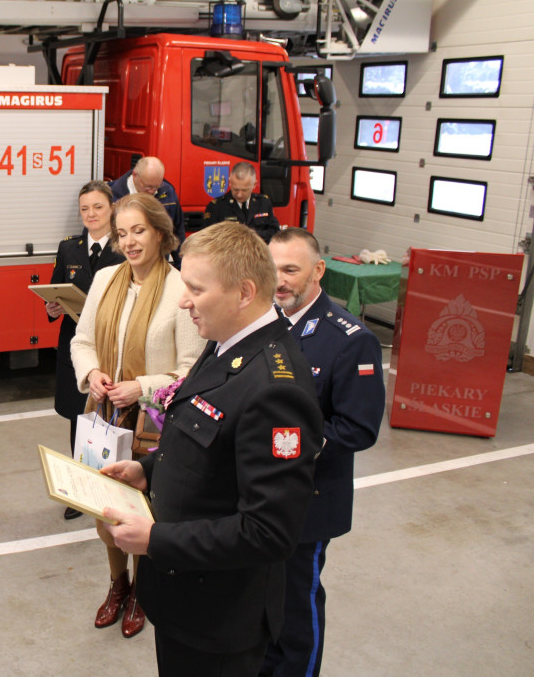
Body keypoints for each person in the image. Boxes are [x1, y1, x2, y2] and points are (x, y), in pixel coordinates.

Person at [102, 221, 323, 676]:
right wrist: (148, 470)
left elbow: (270, 531)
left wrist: (155, 539)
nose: (184, 301)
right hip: (185, 597)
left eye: (195, 289)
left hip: (220, 616)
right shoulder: (226, 340)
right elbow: (204, 441)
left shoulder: (275, 388)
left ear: (244, 292)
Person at [71, 193, 205, 639]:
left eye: (139, 231)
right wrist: (91, 372)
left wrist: (143, 386)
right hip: (105, 419)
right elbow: (82, 339)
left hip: (153, 426)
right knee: (104, 514)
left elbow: (191, 368)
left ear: (161, 233)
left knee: (144, 515)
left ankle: (143, 593)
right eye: (121, 233)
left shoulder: (179, 288)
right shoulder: (106, 278)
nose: (129, 242)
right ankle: (118, 585)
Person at [260, 228, 385, 677]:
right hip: (259, 494)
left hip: (308, 501)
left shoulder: (350, 340)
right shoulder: (263, 323)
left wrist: (283, 446)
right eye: (272, 268)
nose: (280, 280)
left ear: (318, 271)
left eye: (291, 270)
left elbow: (358, 428)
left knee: (296, 605)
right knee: (261, 600)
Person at [46, 180, 125, 520]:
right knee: (80, 421)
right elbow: (56, 290)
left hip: (112, 346)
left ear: (112, 209)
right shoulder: (69, 248)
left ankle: (116, 489)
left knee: (115, 421)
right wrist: (53, 308)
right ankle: (80, 491)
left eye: (98, 207)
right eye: (85, 209)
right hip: (75, 348)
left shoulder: (126, 249)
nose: (91, 214)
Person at [110, 157, 184, 265]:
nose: (152, 191)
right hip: (122, 264)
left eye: (156, 187)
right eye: (148, 187)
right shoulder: (112, 196)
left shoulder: (168, 192)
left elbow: (178, 233)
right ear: (135, 175)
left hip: (158, 265)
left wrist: (181, 268)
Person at [204, 161, 280, 242]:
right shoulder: (216, 206)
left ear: (254, 184)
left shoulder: (263, 203)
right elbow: (207, 239)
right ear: (230, 183)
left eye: (244, 190)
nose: (239, 195)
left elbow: (275, 232)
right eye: (235, 189)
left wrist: (252, 236)